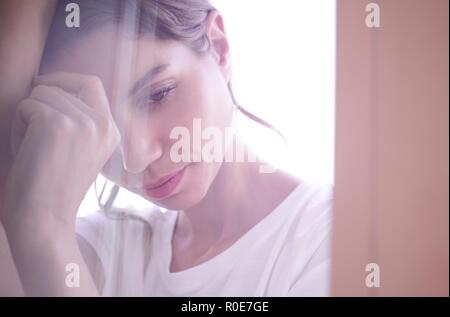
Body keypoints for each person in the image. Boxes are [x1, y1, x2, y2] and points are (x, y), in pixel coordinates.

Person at [0, 0, 333, 296]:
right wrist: (41, 226)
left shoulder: (332, 236)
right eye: (101, 124)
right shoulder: (98, 250)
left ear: (218, 47)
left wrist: (45, 229)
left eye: (157, 94)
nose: (134, 158)